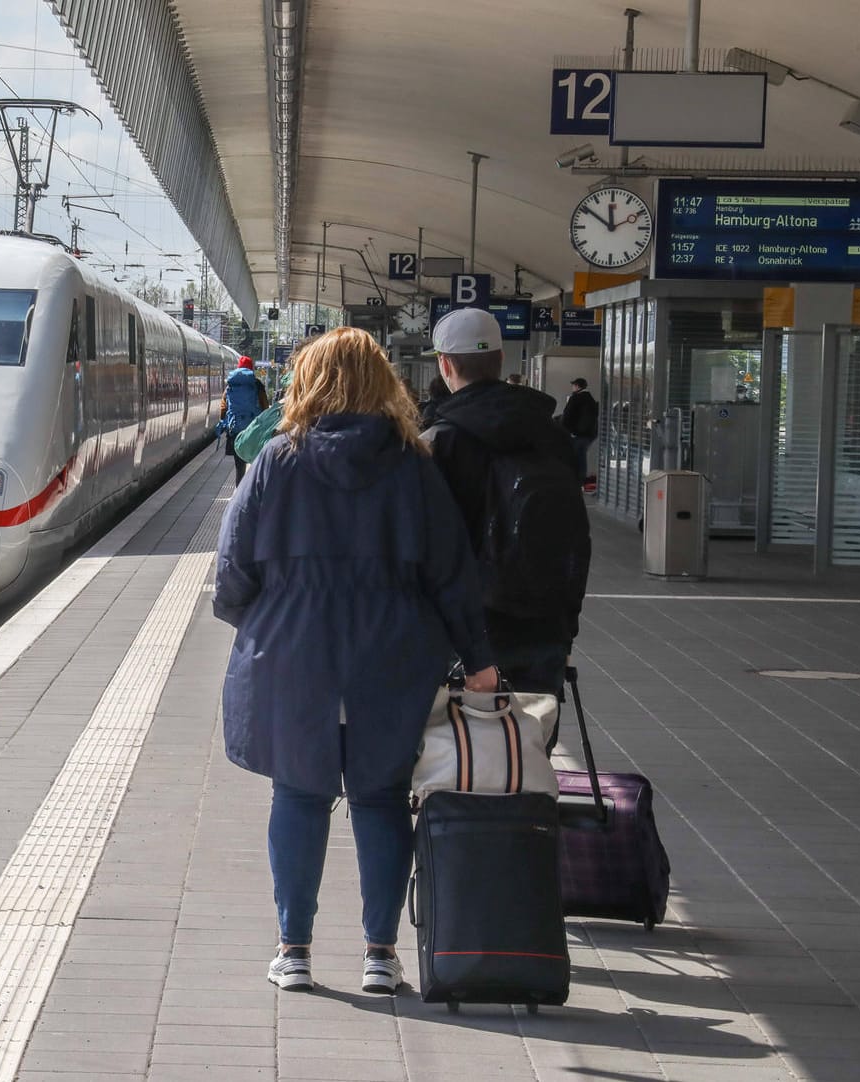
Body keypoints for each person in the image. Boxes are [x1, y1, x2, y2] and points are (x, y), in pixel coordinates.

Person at [216, 327, 496, 997]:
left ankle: (295, 952)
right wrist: (480, 659)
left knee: (299, 792)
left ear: (307, 381)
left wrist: (265, 620)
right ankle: (380, 954)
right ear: (383, 385)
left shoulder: (276, 462)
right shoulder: (413, 465)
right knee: (378, 798)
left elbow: (232, 574)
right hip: (392, 653)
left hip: (293, 651)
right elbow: (451, 574)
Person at [422, 308, 590, 695]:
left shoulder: (440, 442)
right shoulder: (552, 436)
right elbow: (575, 535)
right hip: (543, 623)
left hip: (462, 632)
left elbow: (427, 546)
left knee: (459, 750)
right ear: (500, 360)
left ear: (445, 365)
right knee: (528, 744)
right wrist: (566, 630)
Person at [220, 356, 269, 484]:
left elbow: (223, 407)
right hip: (254, 429)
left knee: (239, 467)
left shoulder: (231, 385)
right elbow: (265, 406)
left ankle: (239, 491)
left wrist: (224, 424)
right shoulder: (257, 384)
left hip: (236, 429)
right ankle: (252, 490)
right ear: (251, 367)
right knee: (255, 463)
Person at [561, 377, 600, 485]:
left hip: (578, 433)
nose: (572, 387)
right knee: (581, 455)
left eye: (573, 385)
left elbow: (567, 415)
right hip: (590, 434)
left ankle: (577, 480)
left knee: (576, 456)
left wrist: (564, 429)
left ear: (577, 386)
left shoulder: (576, 398)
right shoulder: (590, 399)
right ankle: (581, 479)